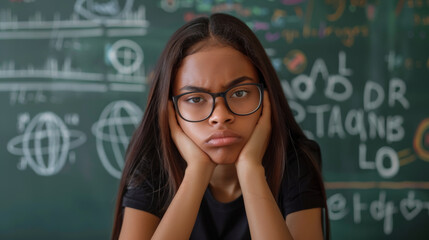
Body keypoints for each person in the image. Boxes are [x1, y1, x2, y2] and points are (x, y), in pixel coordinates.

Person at [111, 13, 329, 240]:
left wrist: (251, 170)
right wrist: (196, 171)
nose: (220, 116)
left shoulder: (294, 162)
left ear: (266, 98)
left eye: (240, 93)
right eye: (195, 99)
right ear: (171, 110)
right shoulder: (153, 166)